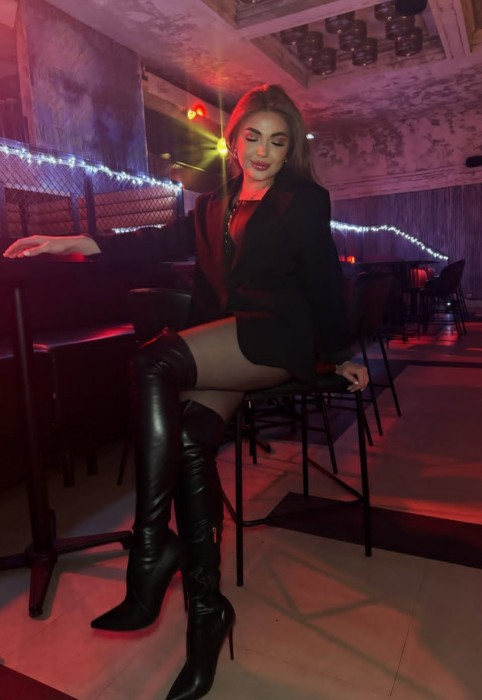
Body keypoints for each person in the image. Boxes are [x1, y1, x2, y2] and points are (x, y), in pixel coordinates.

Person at [4, 83, 368, 700]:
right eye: (253, 137)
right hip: (227, 340)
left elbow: (325, 281)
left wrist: (339, 354)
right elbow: (153, 240)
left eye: (278, 142)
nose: (264, 151)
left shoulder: (304, 199)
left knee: (153, 361)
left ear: (290, 151)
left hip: (274, 339)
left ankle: (150, 550)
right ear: (234, 140)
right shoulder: (212, 203)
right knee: (193, 445)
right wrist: (73, 241)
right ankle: (207, 615)